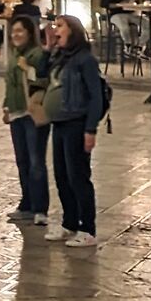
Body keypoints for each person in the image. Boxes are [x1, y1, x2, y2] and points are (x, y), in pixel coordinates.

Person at [41, 16, 109, 246]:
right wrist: (49, 47)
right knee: (61, 176)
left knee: (78, 176)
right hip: (59, 123)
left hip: (76, 123)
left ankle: (87, 228)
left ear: (73, 31)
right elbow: (42, 74)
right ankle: (69, 223)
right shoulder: (60, 56)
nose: (56, 29)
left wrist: (90, 129)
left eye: (60, 26)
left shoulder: (85, 59)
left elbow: (95, 97)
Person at [1, 15, 51, 223]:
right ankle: (27, 203)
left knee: (35, 160)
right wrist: (6, 105)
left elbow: (43, 81)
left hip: (32, 113)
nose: (16, 35)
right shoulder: (13, 54)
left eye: (20, 31)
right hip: (16, 112)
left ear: (30, 33)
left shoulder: (38, 54)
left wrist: (27, 69)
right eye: (13, 31)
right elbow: (10, 82)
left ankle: (40, 208)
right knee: (22, 160)